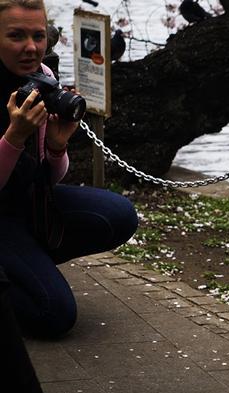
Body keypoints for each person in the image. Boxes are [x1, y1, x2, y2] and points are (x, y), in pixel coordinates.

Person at [0, 0, 138, 338]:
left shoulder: (42, 77)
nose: (31, 47)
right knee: (53, 315)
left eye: (38, 35)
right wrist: (14, 138)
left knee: (118, 214)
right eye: (16, 36)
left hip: (25, 204)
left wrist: (57, 146)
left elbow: (49, 175)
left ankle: (24, 265)